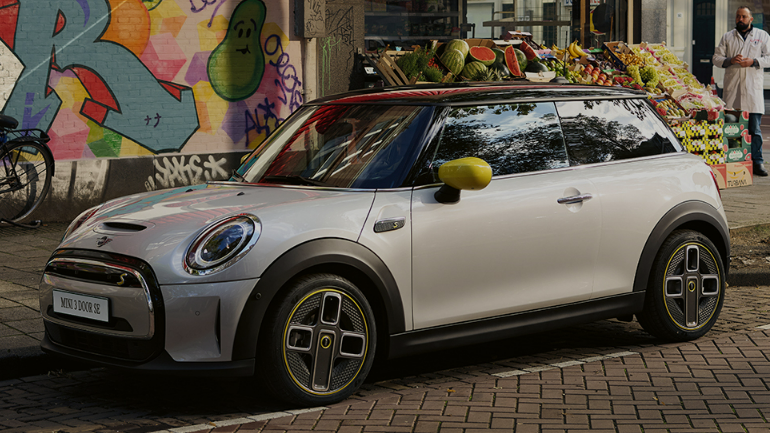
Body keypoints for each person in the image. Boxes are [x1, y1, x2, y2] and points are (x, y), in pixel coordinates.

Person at [713, 6, 770, 177]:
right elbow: (716, 58)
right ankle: (733, 161)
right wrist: (730, 60)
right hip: (733, 90)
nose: (740, 19)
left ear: (751, 19)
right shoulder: (727, 36)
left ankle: (757, 162)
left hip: (752, 90)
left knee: (755, 130)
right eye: (738, 16)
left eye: (744, 17)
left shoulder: (762, 36)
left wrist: (753, 61)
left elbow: (769, 57)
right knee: (732, 128)